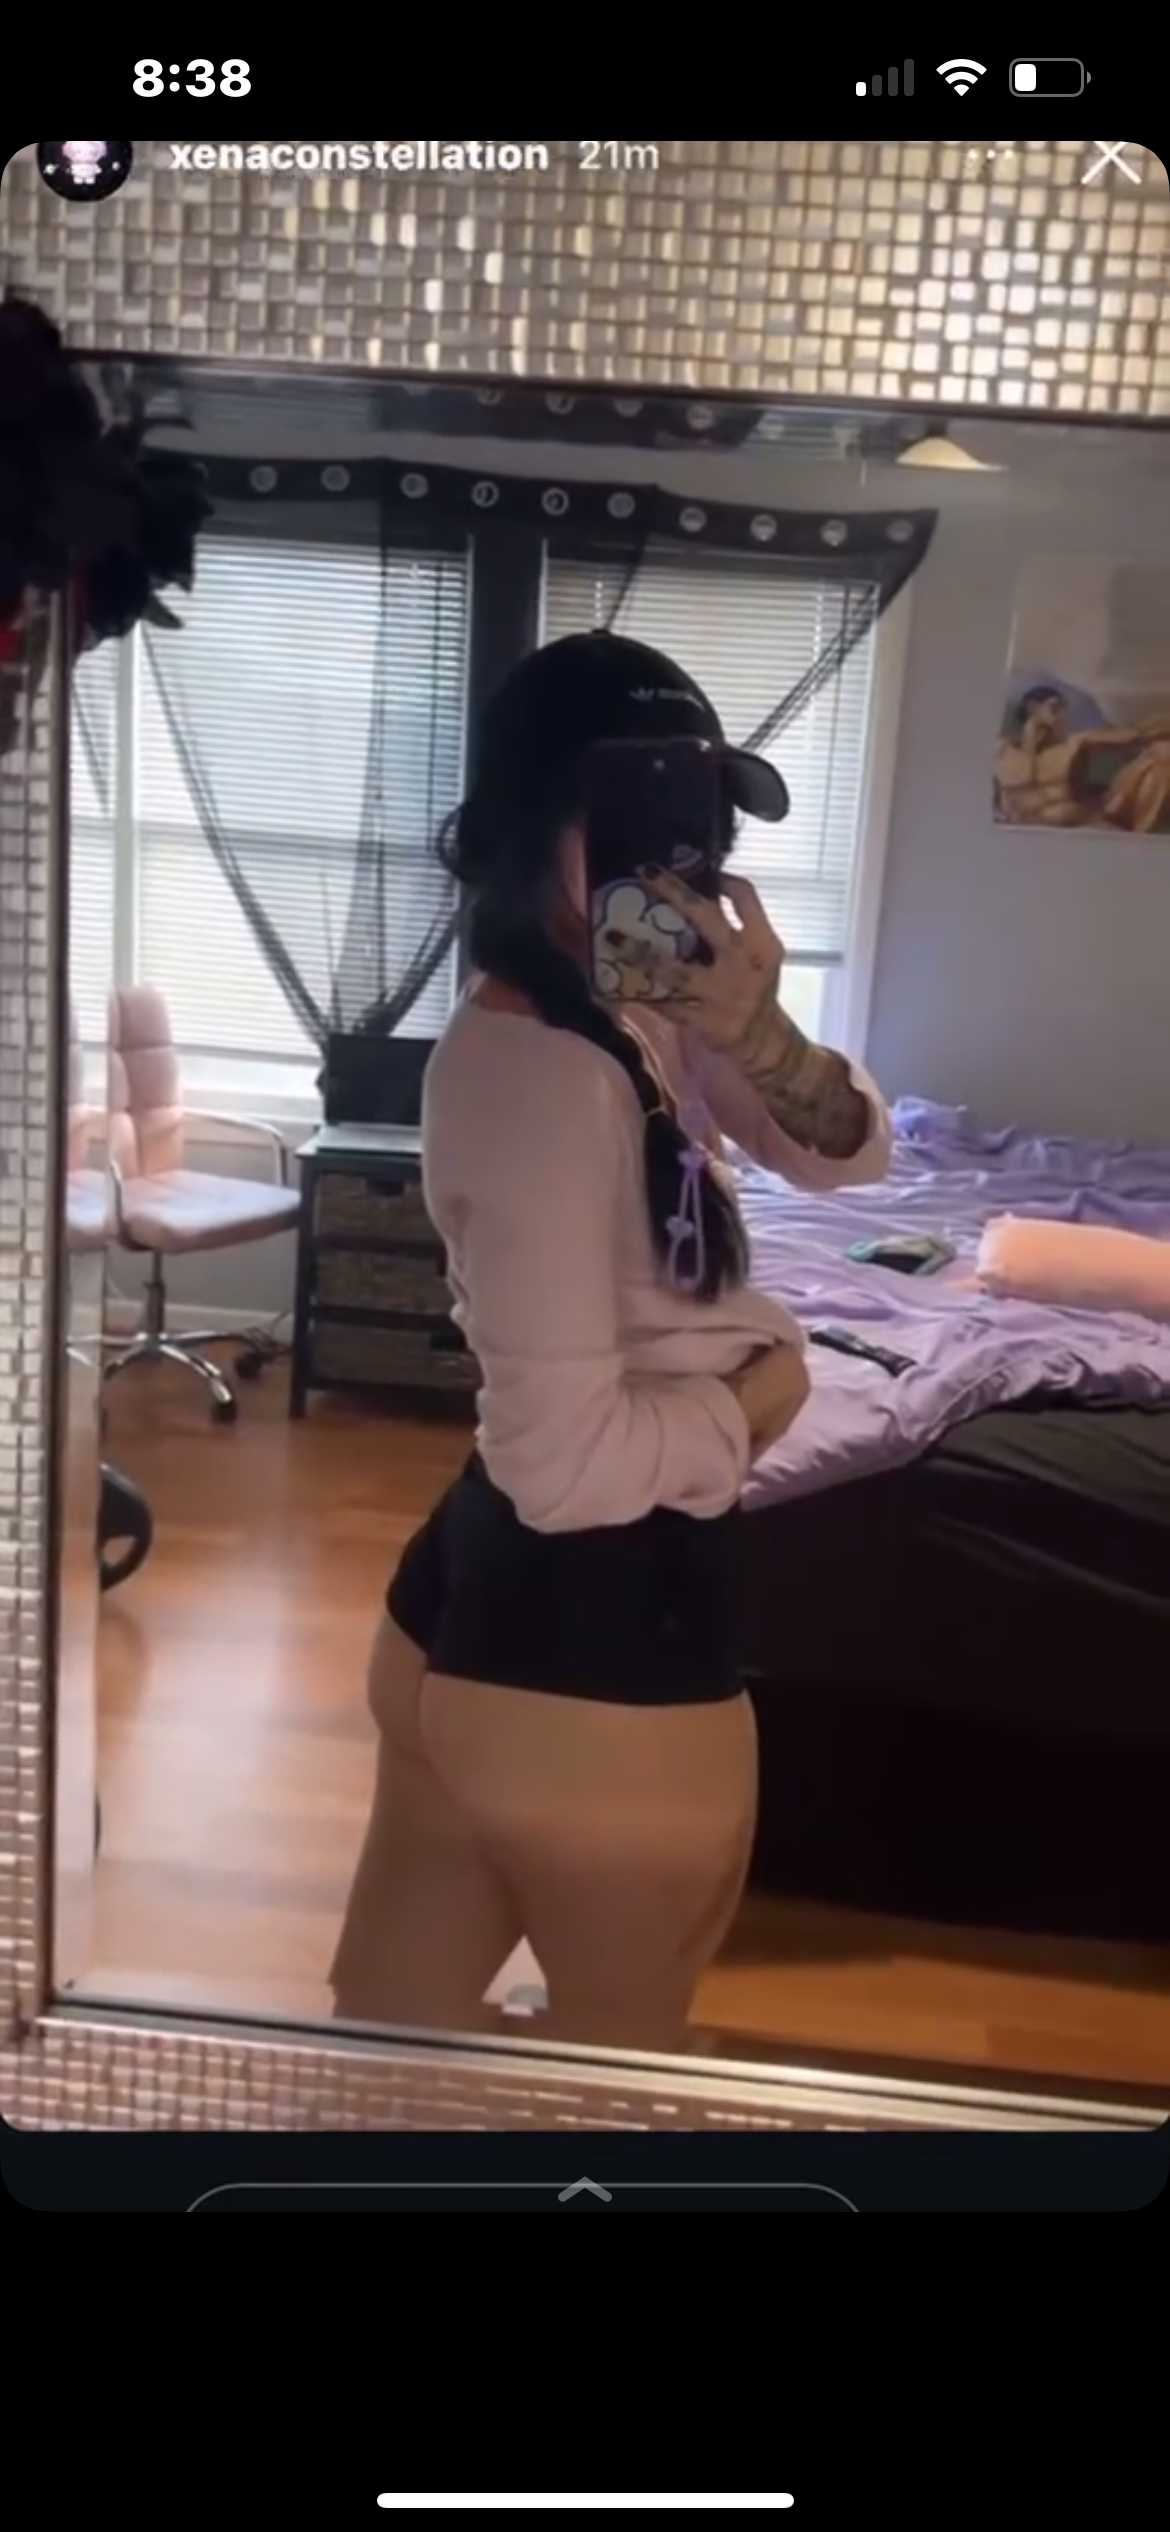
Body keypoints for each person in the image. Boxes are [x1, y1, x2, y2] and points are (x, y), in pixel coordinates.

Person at [331, 631, 893, 2052]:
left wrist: (755, 1029)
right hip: (597, 1654)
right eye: (641, 827)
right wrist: (759, 1401)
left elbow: (847, 1153)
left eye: (699, 830)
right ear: (526, 835)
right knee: (616, 2068)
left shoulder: (632, 1013)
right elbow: (565, 1470)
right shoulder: (536, 1075)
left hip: (477, 1624)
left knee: (393, 2038)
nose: (681, 868)